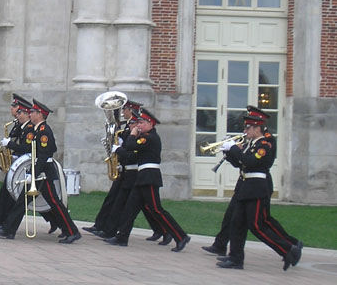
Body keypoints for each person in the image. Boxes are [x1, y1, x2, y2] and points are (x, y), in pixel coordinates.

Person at [203, 106, 302, 258]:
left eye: (248, 126)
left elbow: (251, 161)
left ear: (258, 125)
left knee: (260, 223)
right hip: (245, 184)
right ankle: (226, 250)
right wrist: (229, 151)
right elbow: (241, 163)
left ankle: (290, 246)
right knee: (235, 219)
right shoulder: (252, 143)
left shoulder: (265, 141)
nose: (245, 130)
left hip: (257, 184)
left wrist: (235, 149)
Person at [0, 99, 80, 243]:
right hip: (38, 171)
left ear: (40, 114)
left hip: (43, 173)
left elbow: (44, 155)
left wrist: (33, 174)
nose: (30, 114)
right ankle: (8, 229)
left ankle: (72, 231)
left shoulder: (44, 131)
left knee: (54, 203)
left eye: (32, 112)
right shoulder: (38, 129)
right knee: (23, 200)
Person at [104, 108, 190, 251]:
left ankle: (180, 236)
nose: (139, 126)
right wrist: (119, 149)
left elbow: (131, 145)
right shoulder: (144, 138)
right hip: (142, 176)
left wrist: (130, 136)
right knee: (130, 209)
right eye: (138, 123)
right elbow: (132, 155)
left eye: (142, 123)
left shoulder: (149, 138)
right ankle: (122, 237)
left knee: (156, 209)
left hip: (149, 176)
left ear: (151, 124)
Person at [86, 100, 168, 243]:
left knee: (142, 206)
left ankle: (166, 232)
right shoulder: (129, 127)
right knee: (128, 204)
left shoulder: (143, 134)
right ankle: (109, 230)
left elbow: (131, 149)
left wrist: (119, 148)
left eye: (125, 109)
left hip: (136, 173)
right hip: (129, 171)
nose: (123, 112)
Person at [0, 94, 34, 230]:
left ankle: (4, 224)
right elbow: (13, 137)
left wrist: (9, 144)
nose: (17, 115)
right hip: (16, 165)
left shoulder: (29, 129)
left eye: (19, 112)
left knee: (13, 196)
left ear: (27, 114)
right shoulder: (20, 126)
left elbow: (26, 148)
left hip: (24, 166)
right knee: (5, 193)